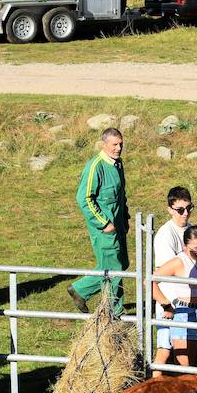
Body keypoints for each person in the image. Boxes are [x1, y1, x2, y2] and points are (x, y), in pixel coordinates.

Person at [68, 128, 129, 316]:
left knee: (120, 263)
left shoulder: (117, 165)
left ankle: (80, 290)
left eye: (120, 144)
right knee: (114, 269)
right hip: (104, 229)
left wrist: (125, 217)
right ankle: (113, 313)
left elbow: (121, 195)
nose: (118, 148)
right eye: (114, 144)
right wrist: (103, 223)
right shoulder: (95, 166)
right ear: (104, 145)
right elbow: (84, 198)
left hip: (118, 225)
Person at [151, 225, 197, 371]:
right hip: (186, 313)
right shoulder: (178, 262)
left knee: (196, 367)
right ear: (185, 245)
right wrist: (166, 305)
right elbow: (149, 281)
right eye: (195, 248)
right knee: (185, 369)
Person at [151, 186, 194, 374]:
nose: (185, 213)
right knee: (164, 350)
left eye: (189, 208)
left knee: (185, 350)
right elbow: (170, 269)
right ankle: (154, 386)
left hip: (189, 300)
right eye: (180, 210)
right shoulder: (165, 234)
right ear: (170, 209)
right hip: (169, 300)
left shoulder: (192, 230)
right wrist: (165, 304)